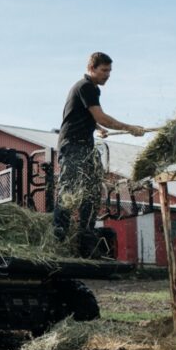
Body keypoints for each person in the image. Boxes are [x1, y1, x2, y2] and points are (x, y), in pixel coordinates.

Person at [53, 52, 146, 252]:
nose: (108, 75)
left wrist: (96, 128)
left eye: (110, 71)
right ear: (91, 68)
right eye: (104, 70)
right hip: (73, 146)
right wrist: (129, 128)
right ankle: (58, 240)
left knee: (92, 193)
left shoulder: (92, 88)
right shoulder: (85, 86)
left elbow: (84, 114)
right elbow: (101, 116)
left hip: (86, 146)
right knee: (69, 192)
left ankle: (84, 238)